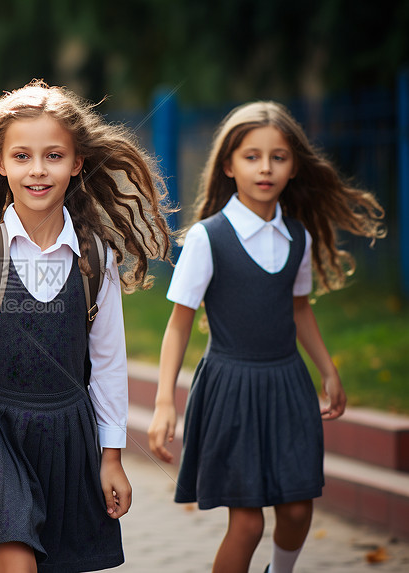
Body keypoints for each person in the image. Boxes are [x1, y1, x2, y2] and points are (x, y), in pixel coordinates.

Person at [0, 80, 174, 572]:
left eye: (53, 155)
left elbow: (108, 362)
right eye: (22, 156)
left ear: (77, 163)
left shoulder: (95, 258)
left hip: (70, 438)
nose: (38, 170)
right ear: (1, 163)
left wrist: (111, 456)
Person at [147, 101, 386, 573]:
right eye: (252, 156)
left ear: (294, 166)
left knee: (298, 509)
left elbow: (299, 309)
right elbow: (178, 324)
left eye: (278, 157)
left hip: (287, 386)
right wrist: (163, 402)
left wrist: (328, 370)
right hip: (230, 389)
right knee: (248, 524)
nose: (265, 167)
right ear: (229, 166)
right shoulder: (207, 238)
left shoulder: (298, 237)